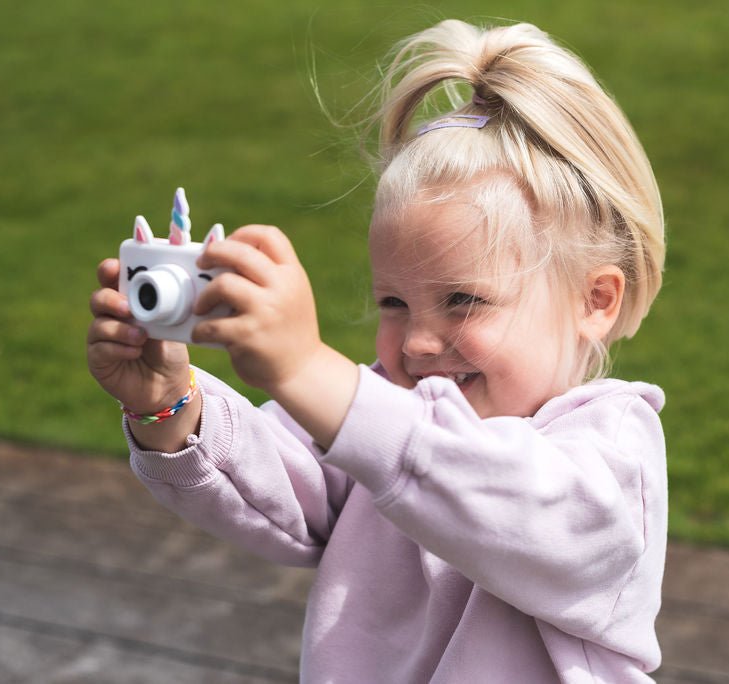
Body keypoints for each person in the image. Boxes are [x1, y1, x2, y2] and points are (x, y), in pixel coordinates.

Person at [88, 19, 667, 683]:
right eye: (393, 302)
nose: (417, 341)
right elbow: (275, 486)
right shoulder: (385, 412)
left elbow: (518, 508)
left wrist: (307, 369)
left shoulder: (612, 456)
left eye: (463, 300)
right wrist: (169, 403)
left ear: (596, 300)